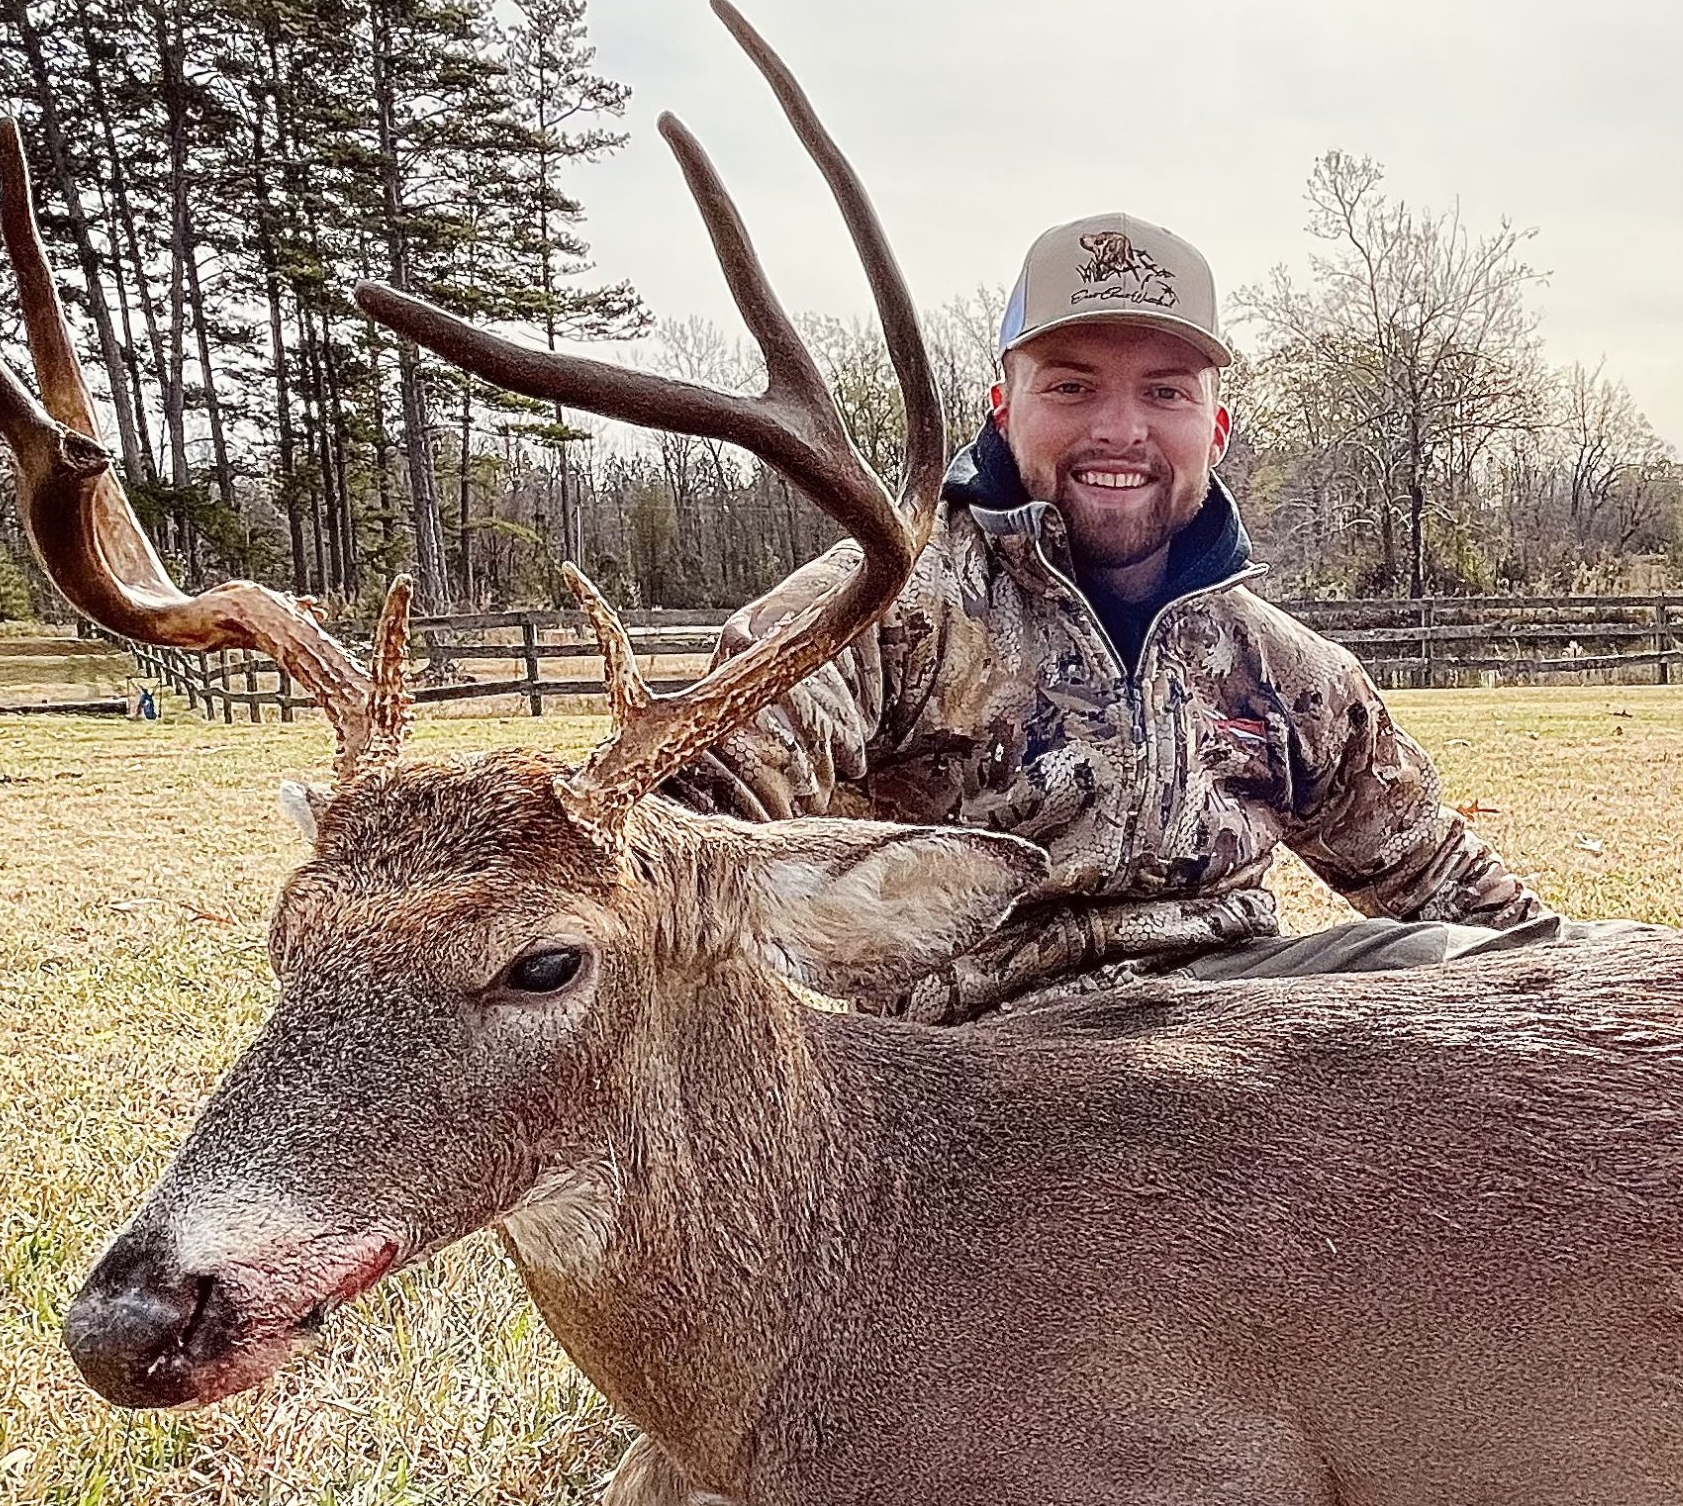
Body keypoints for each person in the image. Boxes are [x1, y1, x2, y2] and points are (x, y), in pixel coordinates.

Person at [666, 212, 1584, 1022]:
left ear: (1214, 427)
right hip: (963, 1072)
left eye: (1165, 391)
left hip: (1230, 1023)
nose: (1119, 429)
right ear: (1004, 408)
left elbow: (1452, 891)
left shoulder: (1284, 672)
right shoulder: (887, 609)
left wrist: (1613, 979)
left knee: (1473, 973)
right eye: (1071, 386)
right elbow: (685, 827)